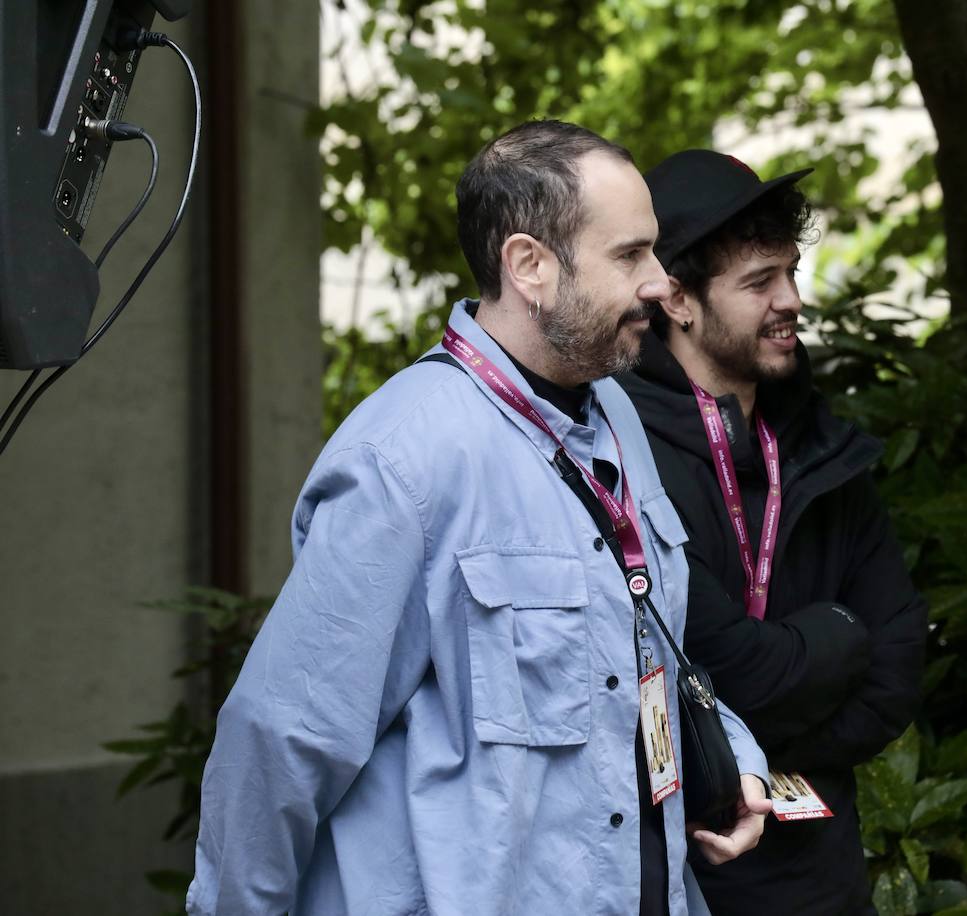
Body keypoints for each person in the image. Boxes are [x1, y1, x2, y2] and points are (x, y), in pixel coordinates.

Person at [186, 122, 771, 916]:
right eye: (630, 255)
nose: (662, 283)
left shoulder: (615, 418)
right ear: (530, 264)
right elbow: (279, 743)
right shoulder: (404, 457)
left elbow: (639, 648)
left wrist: (733, 755)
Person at [618, 149, 928, 915]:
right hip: (688, 879)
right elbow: (727, 667)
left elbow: (897, 670)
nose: (790, 299)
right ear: (679, 301)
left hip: (825, 877)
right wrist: (834, 643)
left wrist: (747, 757)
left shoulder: (825, 451)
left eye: (790, 272)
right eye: (759, 282)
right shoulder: (623, 457)